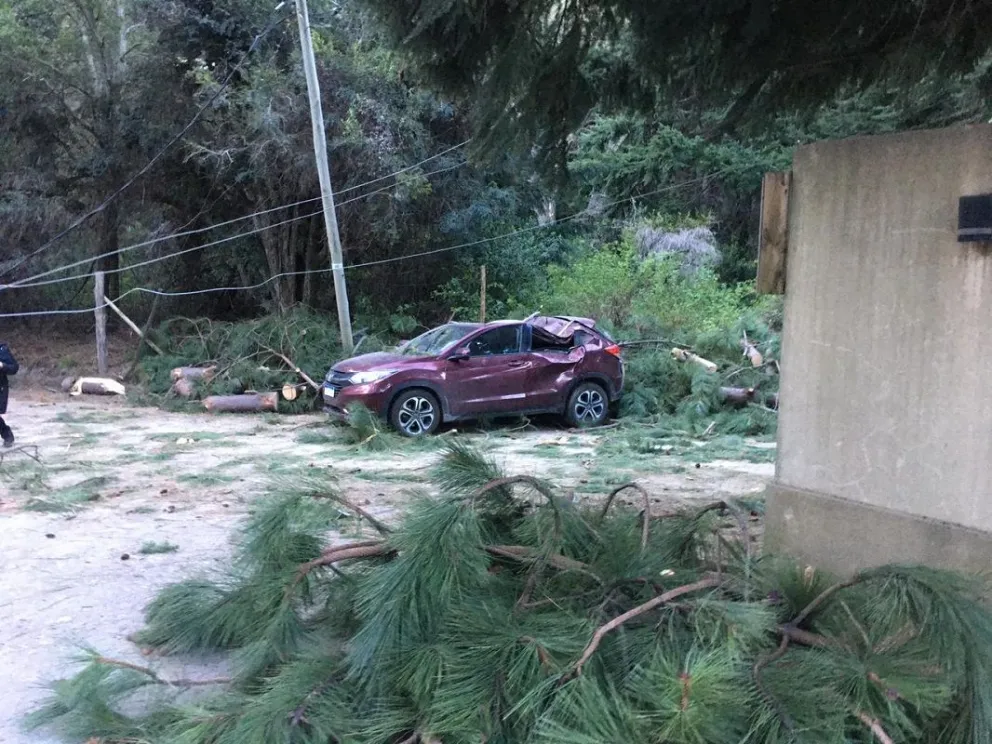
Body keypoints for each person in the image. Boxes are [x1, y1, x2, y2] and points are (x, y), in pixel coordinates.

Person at [0, 342, 19, 447]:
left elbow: (14, 368)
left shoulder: (2, 350)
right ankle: (7, 434)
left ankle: (7, 434)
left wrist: (2, 365)